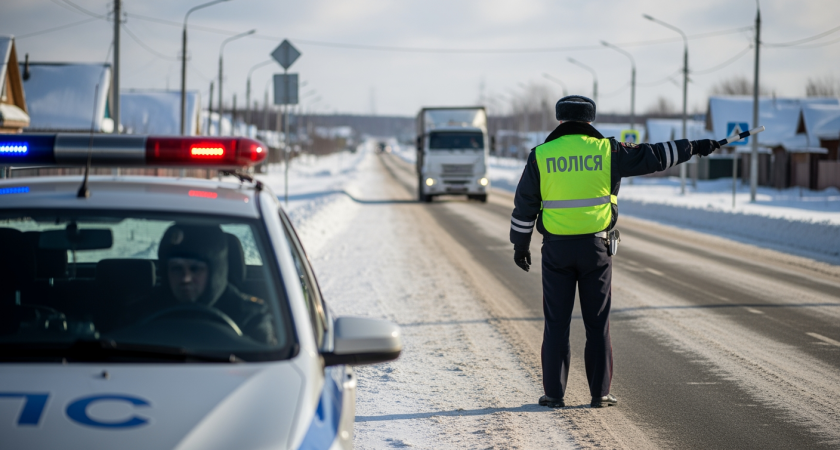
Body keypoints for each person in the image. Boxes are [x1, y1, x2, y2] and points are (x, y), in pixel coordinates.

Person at [509, 95, 719, 408]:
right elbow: (656, 155)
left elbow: (525, 204)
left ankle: (554, 395)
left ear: (560, 119)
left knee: (557, 325)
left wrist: (520, 244)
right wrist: (696, 145)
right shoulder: (608, 151)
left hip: (556, 251)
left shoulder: (541, 155)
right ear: (590, 120)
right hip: (596, 248)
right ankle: (600, 394)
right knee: (597, 324)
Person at [144, 224, 276, 345]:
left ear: (215, 272)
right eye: (176, 268)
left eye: (195, 269)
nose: (185, 278)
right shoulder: (145, 312)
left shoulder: (250, 318)